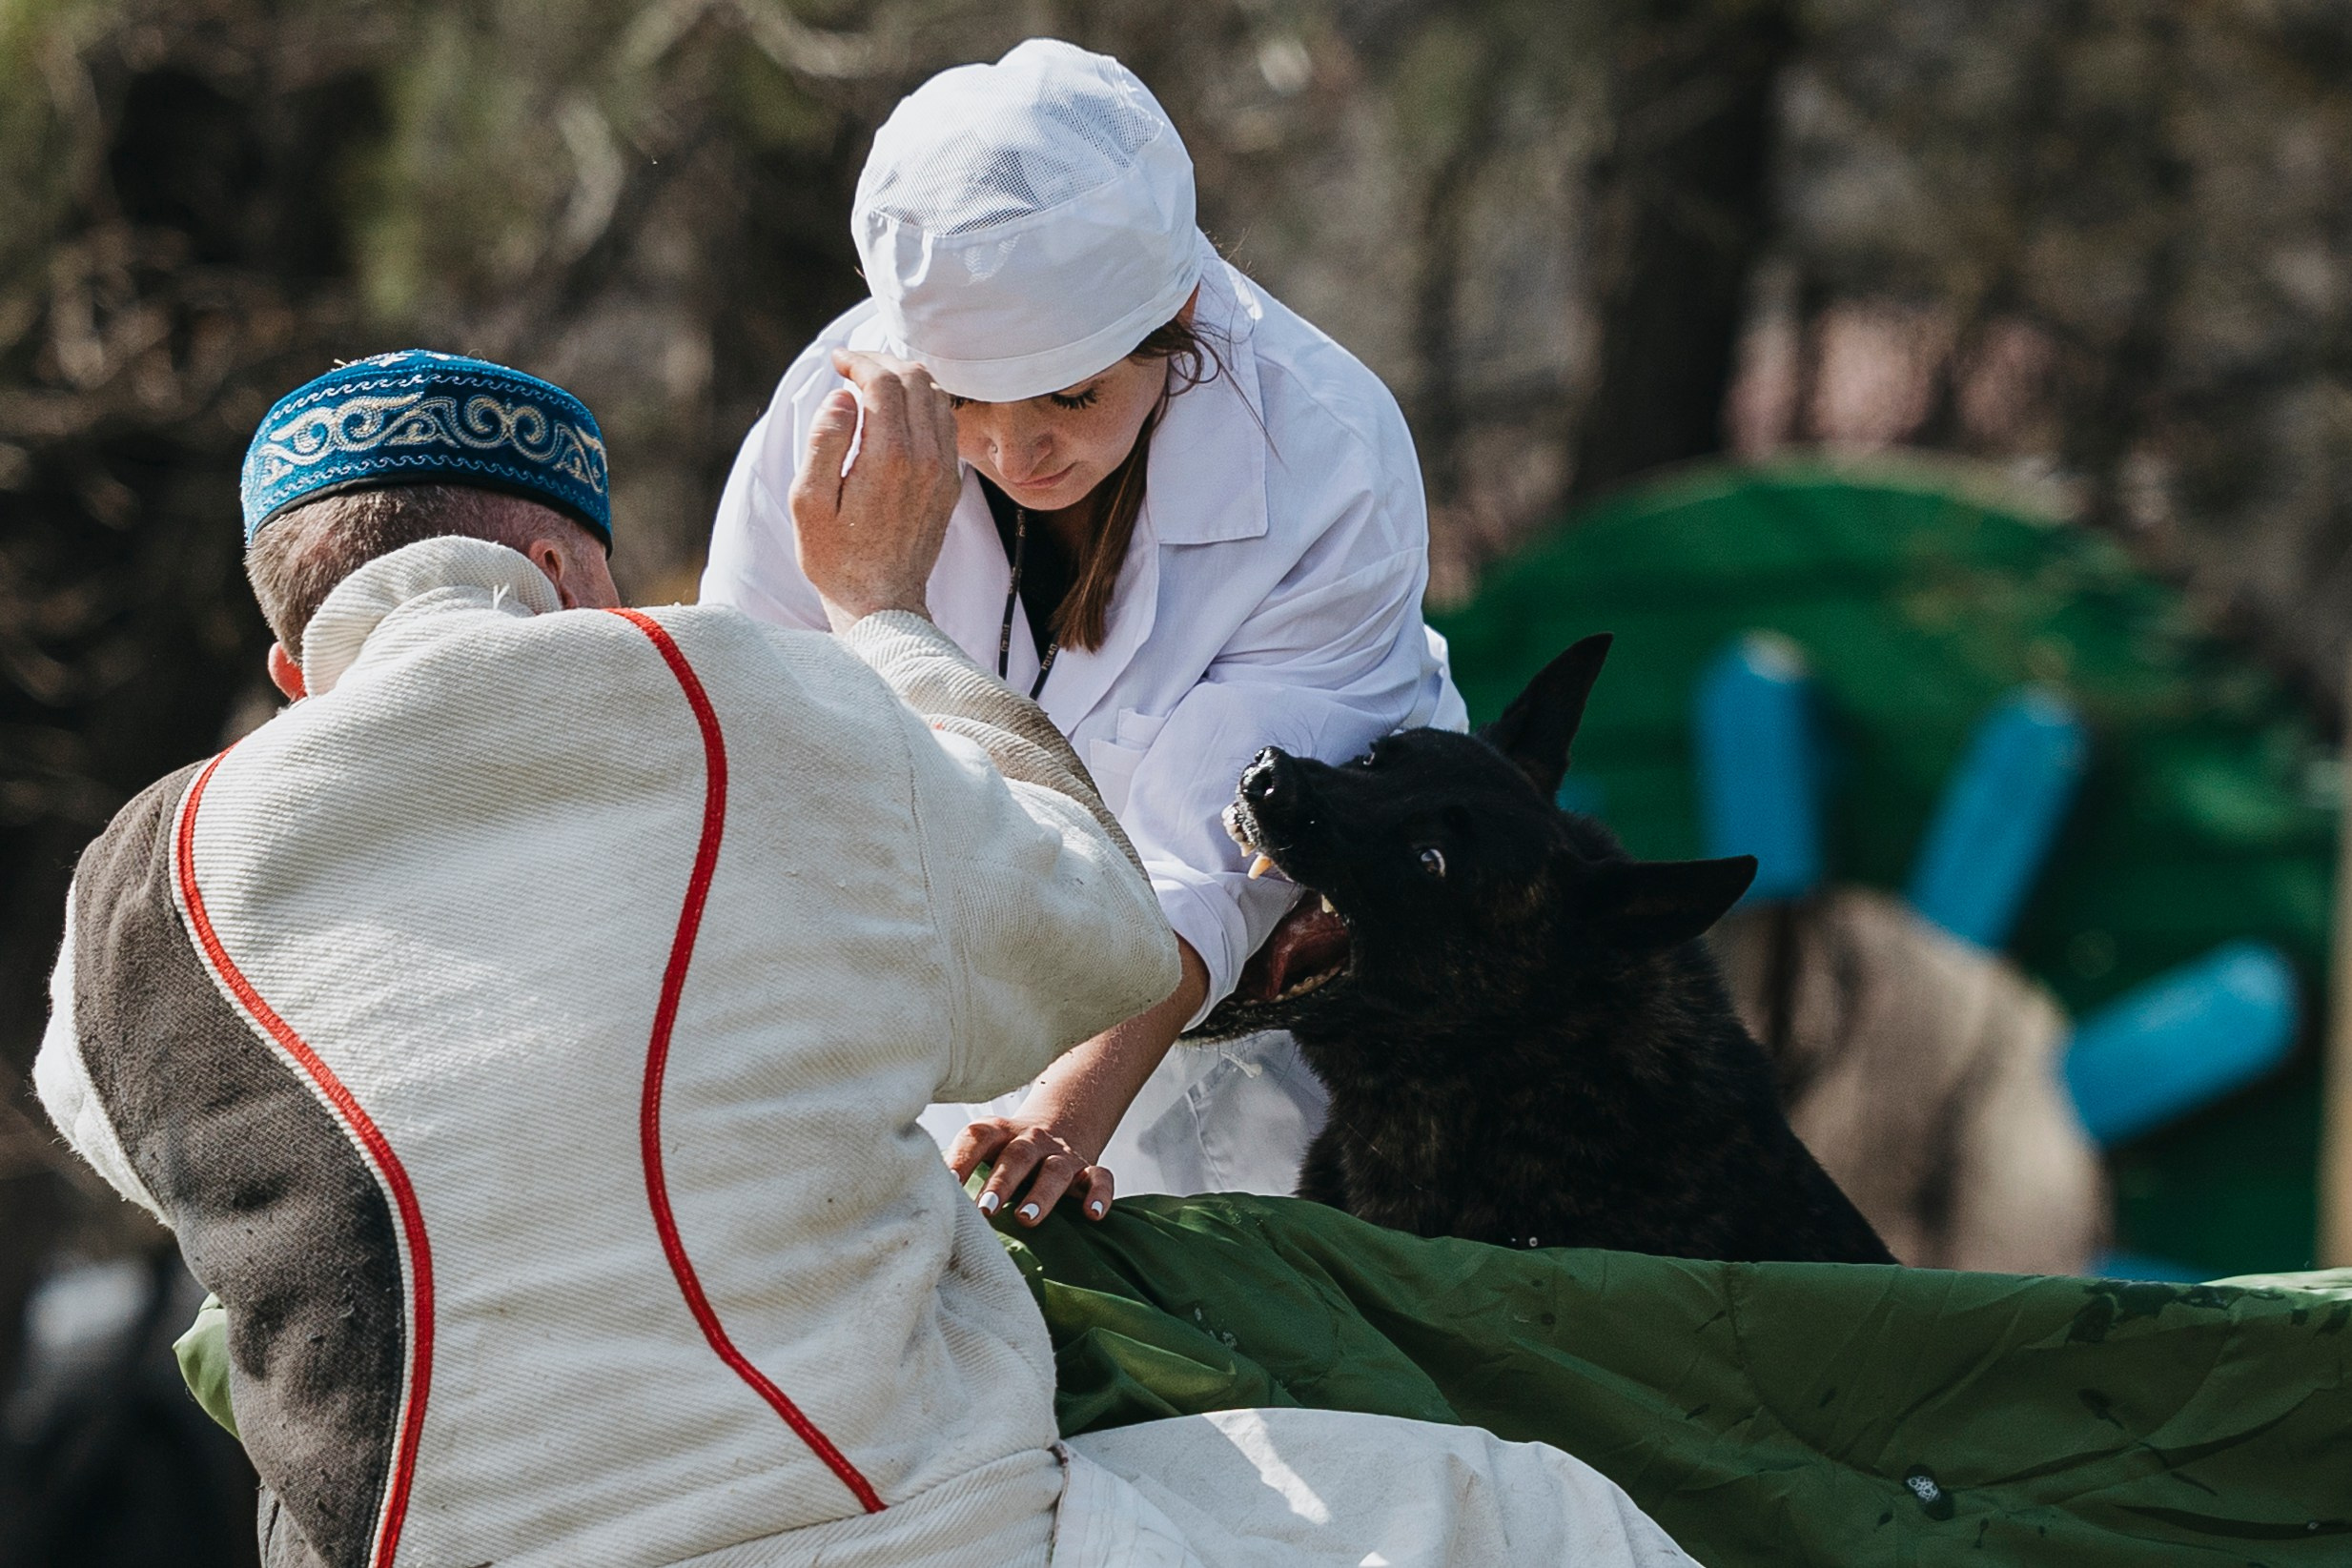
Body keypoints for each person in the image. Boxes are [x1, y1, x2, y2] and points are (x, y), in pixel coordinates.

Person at [36, 349, 1696, 1566]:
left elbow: (128, 1131)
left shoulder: (136, 883)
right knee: (1536, 1518)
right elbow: (1098, 938)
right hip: (894, 1535)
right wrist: (891, 617)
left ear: (288, 658)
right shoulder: (728, 702)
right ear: (557, 569)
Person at [702, 39, 1467, 1224]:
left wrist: (1064, 1115)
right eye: (963, 403)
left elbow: (1217, 862)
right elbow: (757, 765)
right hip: (920, 1005)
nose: (1017, 455)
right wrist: (870, 603)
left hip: (1243, 1023)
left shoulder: (1327, 460)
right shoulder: (828, 425)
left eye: (1070, 395)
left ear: (1179, 315)